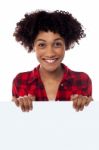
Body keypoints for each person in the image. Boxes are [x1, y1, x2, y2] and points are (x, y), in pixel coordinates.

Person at [12, 10, 93, 112]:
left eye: (57, 44)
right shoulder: (20, 81)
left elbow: (88, 122)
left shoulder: (82, 80)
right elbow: (15, 123)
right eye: (42, 45)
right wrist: (18, 106)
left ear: (66, 44)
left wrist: (87, 105)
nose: (50, 53)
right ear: (33, 46)